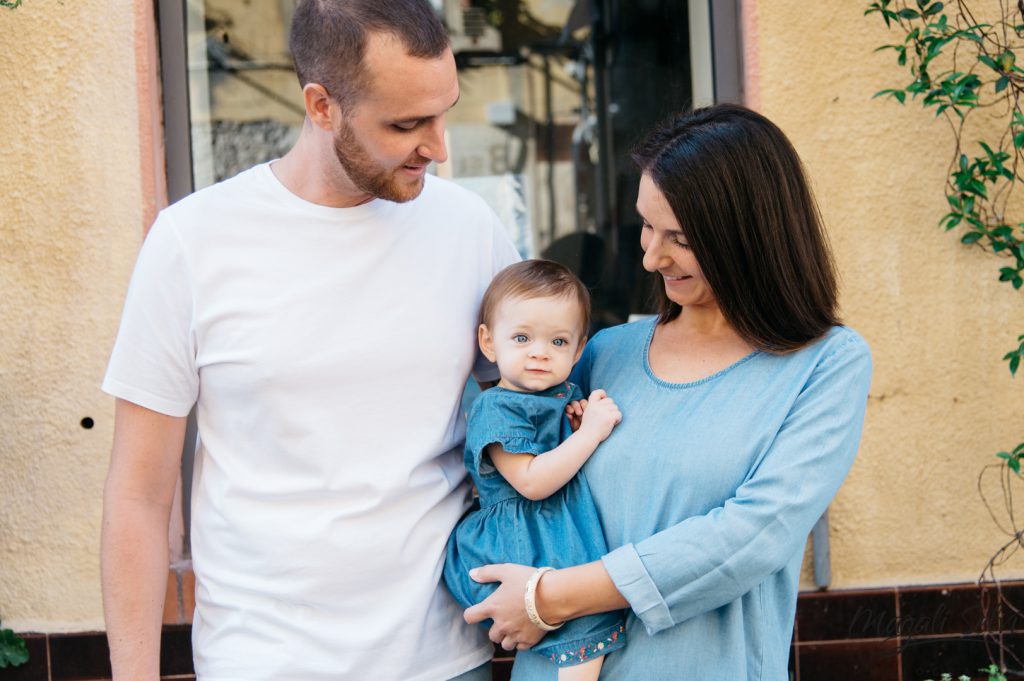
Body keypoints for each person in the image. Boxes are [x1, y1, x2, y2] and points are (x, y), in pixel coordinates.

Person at [100, 1, 519, 680]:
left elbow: (528, 413)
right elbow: (138, 496)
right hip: (260, 660)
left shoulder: (471, 230)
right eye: (407, 124)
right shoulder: (191, 242)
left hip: (444, 659)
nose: (438, 147)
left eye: (444, 113)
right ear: (321, 106)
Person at [461, 104, 874, 680]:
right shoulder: (608, 352)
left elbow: (752, 537)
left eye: (678, 237)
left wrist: (549, 597)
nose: (651, 257)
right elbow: (527, 490)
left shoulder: (825, 363)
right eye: (647, 226)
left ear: (747, 237)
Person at [444, 260, 626, 681]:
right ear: (489, 344)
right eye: (522, 338)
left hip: (555, 529)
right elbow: (532, 481)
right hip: (522, 537)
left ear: (579, 350)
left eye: (558, 341)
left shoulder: (562, 395)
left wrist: (575, 423)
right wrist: (589, 435)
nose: (540, 352)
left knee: (586, 628)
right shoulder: (495, 408)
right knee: (582, 631)